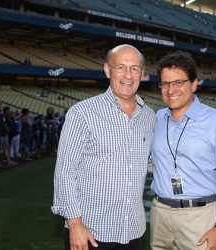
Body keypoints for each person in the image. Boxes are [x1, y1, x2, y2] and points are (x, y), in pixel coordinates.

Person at [51, 44, 156, 250]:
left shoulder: (149, 117)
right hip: (91, 232)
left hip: (133, 230)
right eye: (121, 67)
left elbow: (151, 163)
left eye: (134, 68)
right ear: (107, 70)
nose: (128, 75)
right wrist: (75, 225)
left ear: (142, 74)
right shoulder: (82, 113)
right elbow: (65, 171)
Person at [150, 51, 216, 250]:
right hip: (160, 216)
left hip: (200, 218)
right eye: (165, 83)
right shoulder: (156, 119)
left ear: (194, 84)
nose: (170, 90)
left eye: (178, 82)